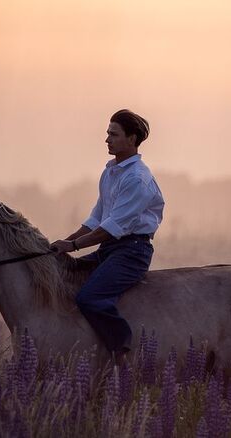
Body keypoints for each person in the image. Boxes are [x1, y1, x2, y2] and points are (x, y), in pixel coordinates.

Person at [50, 109, 165, 364]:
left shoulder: (137, 179)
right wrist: (64, 246)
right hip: (110, 248)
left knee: (90, 297)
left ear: (132, 139)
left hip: (132, 252)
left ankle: (121, 350)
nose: (107, 140)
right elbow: (96, 219)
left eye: (113, 134)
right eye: (107, 133)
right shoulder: (111, 172)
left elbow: (111, 227)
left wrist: (72, 245)